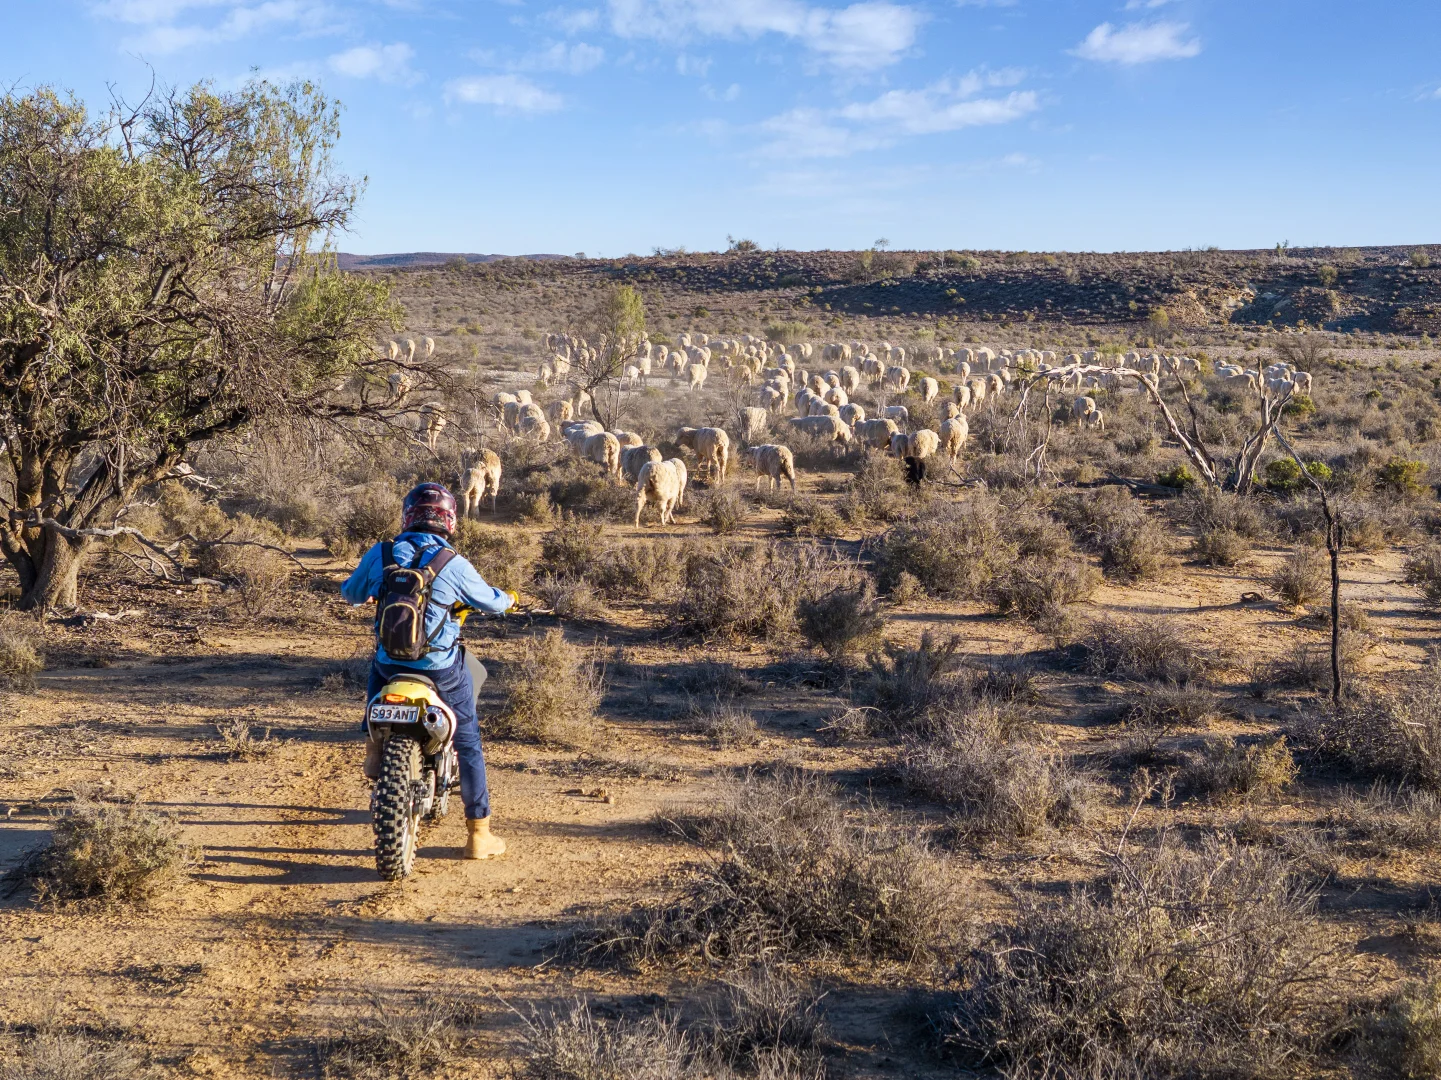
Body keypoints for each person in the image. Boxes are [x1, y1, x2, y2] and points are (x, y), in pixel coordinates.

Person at [341, 482, 517, 860]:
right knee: (468, 739)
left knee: (379, 665)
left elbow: (350, 593)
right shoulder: (453, 563)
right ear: (449, 519)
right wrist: (511, 599)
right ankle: (478, 834)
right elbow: (493, 602)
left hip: (391, 664)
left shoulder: (382, 552)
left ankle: (373, 745)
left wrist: (373, 588)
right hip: (438, 668)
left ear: (408, 515)